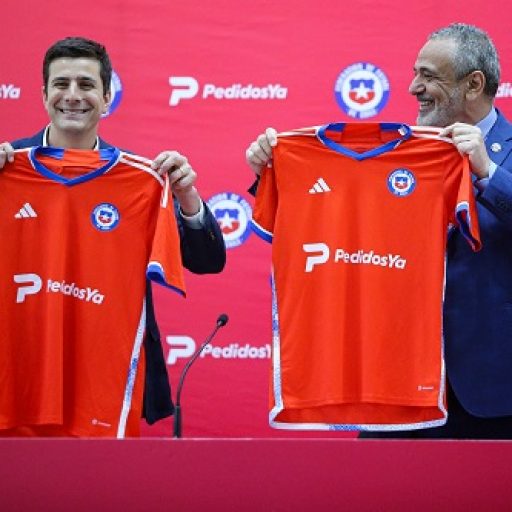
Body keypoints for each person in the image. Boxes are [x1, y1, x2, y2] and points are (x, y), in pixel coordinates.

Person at [245, 23, 512, 439]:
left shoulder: (505, 155)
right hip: (391, 385)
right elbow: (336, 211)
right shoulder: (394, 154)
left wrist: (488, 173)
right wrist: (271, 170)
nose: (412, 87)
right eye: (414, 73)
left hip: (488, 394)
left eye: (428, 75)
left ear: (473, 84)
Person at [0, 36, 226, 428]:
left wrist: (187, 197)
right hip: (19, 367)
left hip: (105, 379)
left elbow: (208, 261)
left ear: (106, 98)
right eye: (61, 84)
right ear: (43, 94)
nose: (73, 96)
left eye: (86, 85)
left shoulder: (137, 182)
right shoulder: (5, 169)